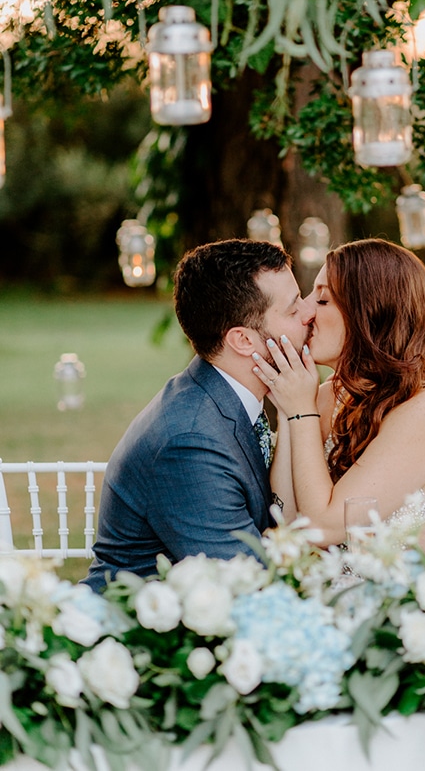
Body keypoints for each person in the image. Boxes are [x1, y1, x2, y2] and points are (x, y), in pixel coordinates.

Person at [82, 238, 315, 592]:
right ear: (243, 341)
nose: (309, 313)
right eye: (293, 309)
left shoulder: (229, 397)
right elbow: (247, 584)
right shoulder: (191, 441)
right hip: (143, 633)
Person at [253, 238, 425, 547]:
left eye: (322, 300)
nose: (305, 310)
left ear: (372, 316)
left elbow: (324, 529)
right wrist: (288, 410)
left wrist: (300, 412)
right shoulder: (327, 398)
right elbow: (288, 523)